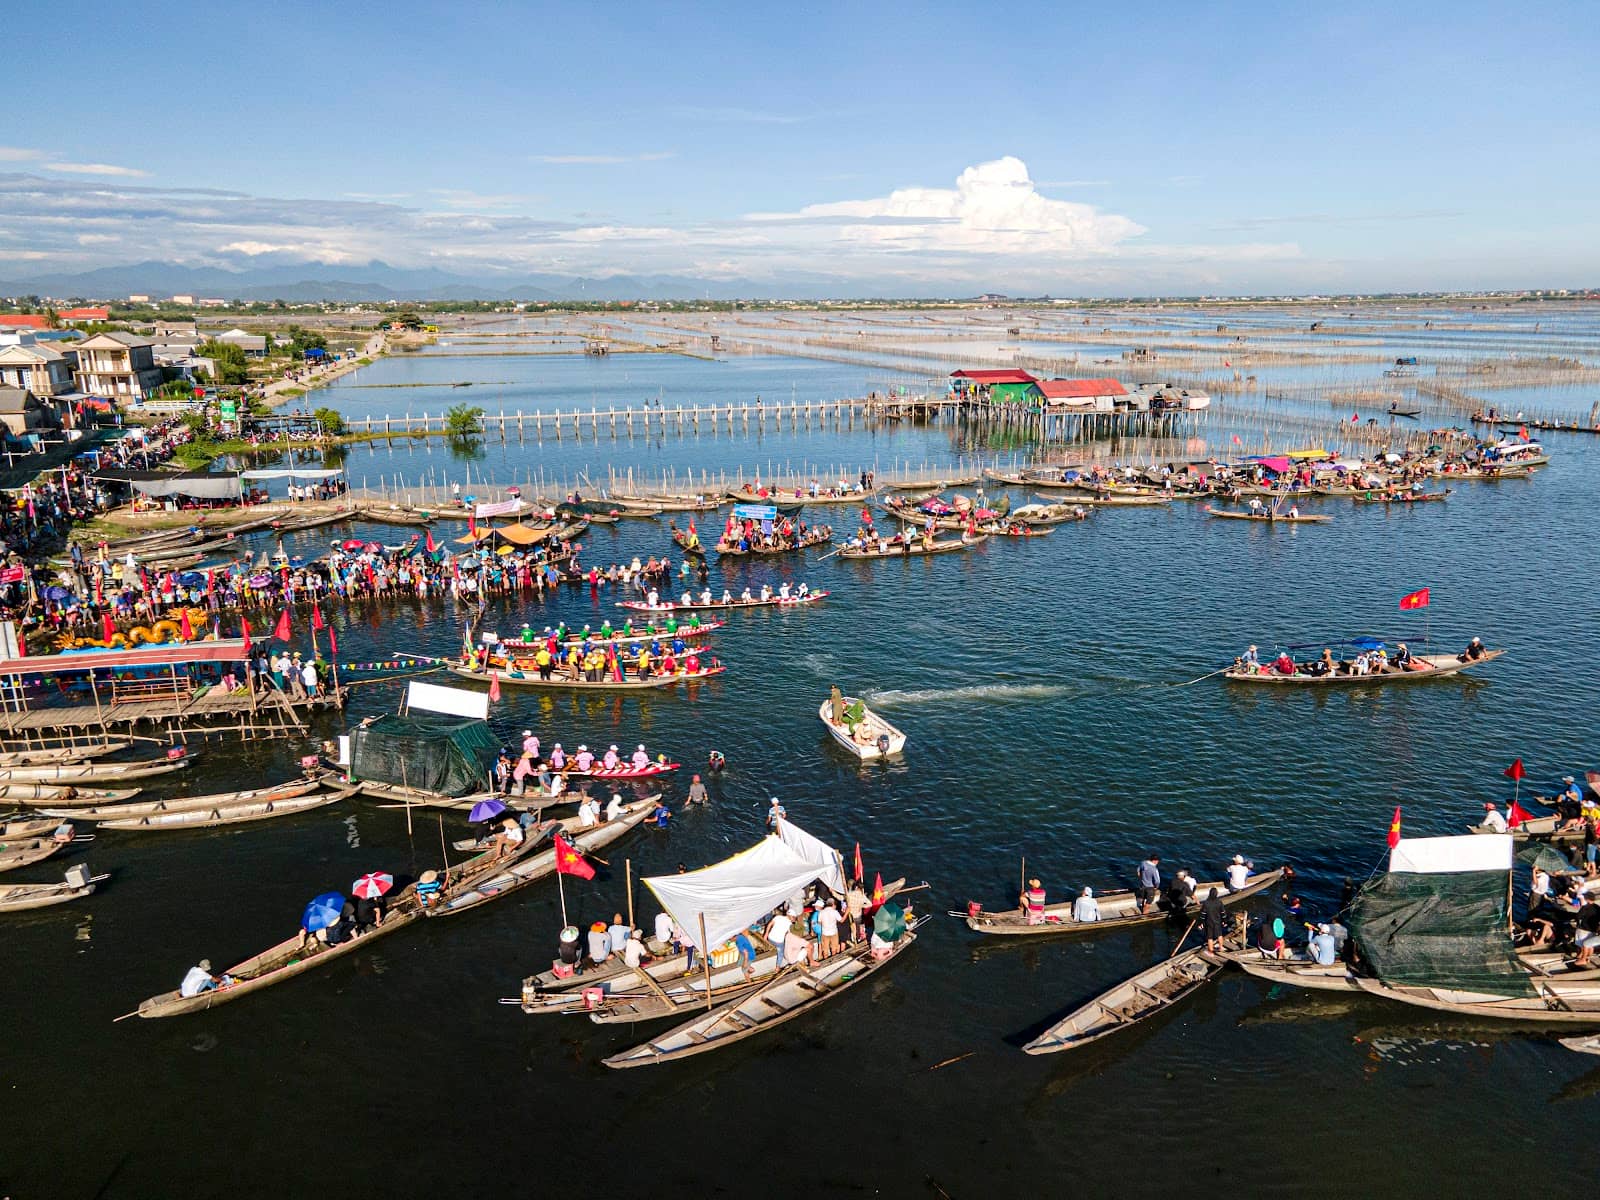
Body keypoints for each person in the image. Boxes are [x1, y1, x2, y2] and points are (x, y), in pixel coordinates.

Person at [1201, 887, 1227, 952]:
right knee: (1219, 935)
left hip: (1209, 922)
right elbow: (1223, 913)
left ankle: (1211, 951)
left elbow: (1203, 915)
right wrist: (1224, 921)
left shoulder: (1206, 903)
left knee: (1210, 937)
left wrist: (1201, 923)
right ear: (1216, 894)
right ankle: (1221, 947)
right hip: (1217, 921)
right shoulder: (1219, 902)